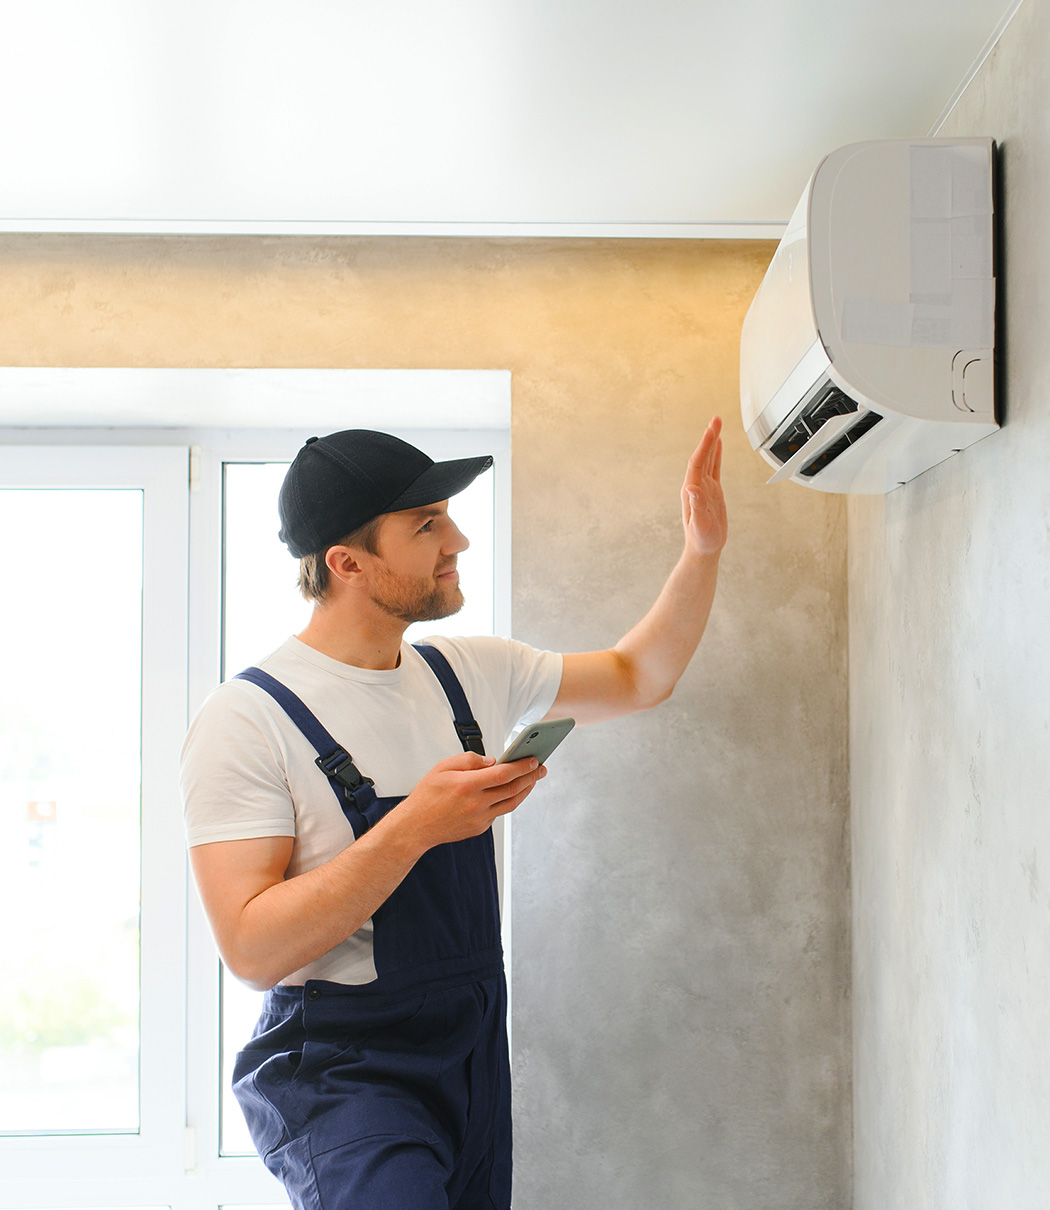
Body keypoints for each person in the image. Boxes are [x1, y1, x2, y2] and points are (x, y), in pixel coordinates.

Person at [181, 418, 727, 1210]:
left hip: (469, 1044)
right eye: (427, 524)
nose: (459, 539)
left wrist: (701, 552)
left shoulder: (468, 671)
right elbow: (253, 948)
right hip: (342, 1068)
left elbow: (639, 675)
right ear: (347, 563)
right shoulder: (246, 718)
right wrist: (416, 826)